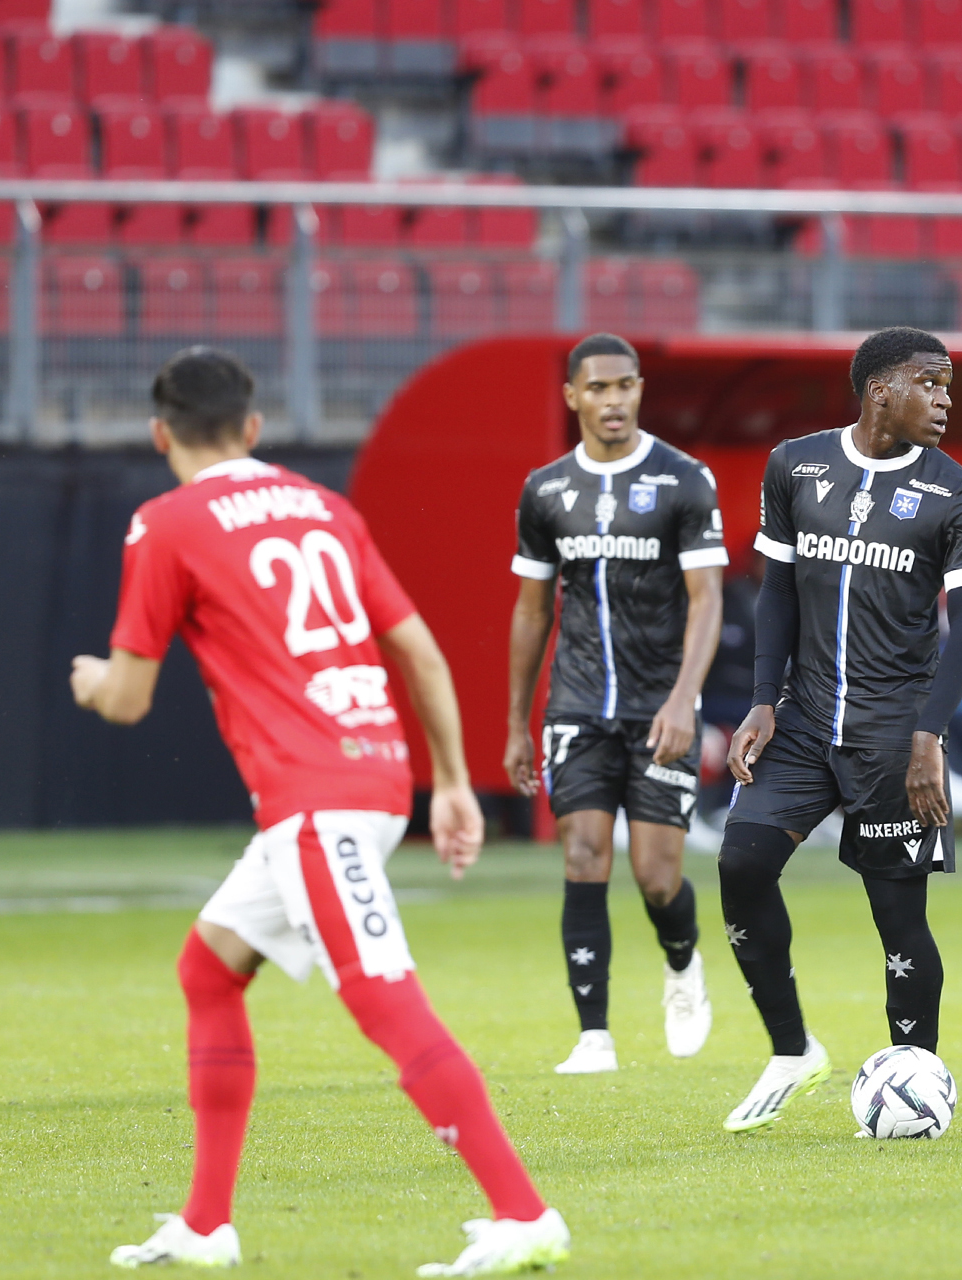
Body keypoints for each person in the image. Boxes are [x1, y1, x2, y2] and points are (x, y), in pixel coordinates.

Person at [77, 349, 568, 1276]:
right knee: (208, 969)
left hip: (319, 801)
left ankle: (524, 1211)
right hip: (366, 778)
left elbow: (130, 698)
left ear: (159, 434)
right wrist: (450, 781)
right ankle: (206, 1225)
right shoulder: (323, 508)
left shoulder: (165, 522)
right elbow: (418, 650)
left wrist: (94, 680)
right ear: (254, 427)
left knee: (385, 1000)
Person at [717, 326, 962, 1131]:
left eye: (948, 386)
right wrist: (763, 699)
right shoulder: (796, 466)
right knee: (740, 863)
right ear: (880, 389)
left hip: (892, 732)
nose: (944, 400)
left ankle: (917, 1082)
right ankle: (791, 1048)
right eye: (929, 383)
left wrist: (929, 735)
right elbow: (776, 592)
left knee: (898, 921)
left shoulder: (959, 494)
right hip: (803, 718)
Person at [504, 332, 727, 1075]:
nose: (613, 400)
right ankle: (593, 1035)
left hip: (659, 706)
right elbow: (532, 610)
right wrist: (516, 722)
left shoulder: (683, 480)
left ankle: (682, 963)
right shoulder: (545, 490)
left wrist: (683, 700)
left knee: (657, 876)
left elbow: (707, 599)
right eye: (597, 388)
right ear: (572, 396)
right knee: (583, 854)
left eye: (625, 385)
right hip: (576, 703)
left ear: (639, 391)